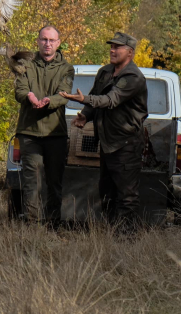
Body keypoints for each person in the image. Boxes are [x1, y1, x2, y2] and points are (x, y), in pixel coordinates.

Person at [60, 32, 148, 230]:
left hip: (126, 144)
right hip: (108, 143)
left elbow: (110, 100)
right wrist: (85, 114)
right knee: (107, 192)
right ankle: (111, 233)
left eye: (118, 47)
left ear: (130, 53)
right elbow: (95, 97)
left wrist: (83, 100)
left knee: (126, 195)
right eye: (111, 46)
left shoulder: (133, 77)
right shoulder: (105, 72)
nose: (112, 50)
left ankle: (125, 238)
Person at [14, 25, 74, 226]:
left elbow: (63, 94)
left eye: (51, 40)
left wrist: (49, 101)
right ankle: (31, 225)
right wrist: (29, 96)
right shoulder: (26, 65)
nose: (47, 43)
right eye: (43, 39)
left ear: (58, 43)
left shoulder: (66, 68)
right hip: (29, 132)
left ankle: (52, 225)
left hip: (55, 133)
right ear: (38, 41)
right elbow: (20, 90)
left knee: (54, 182)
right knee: (32, 181)